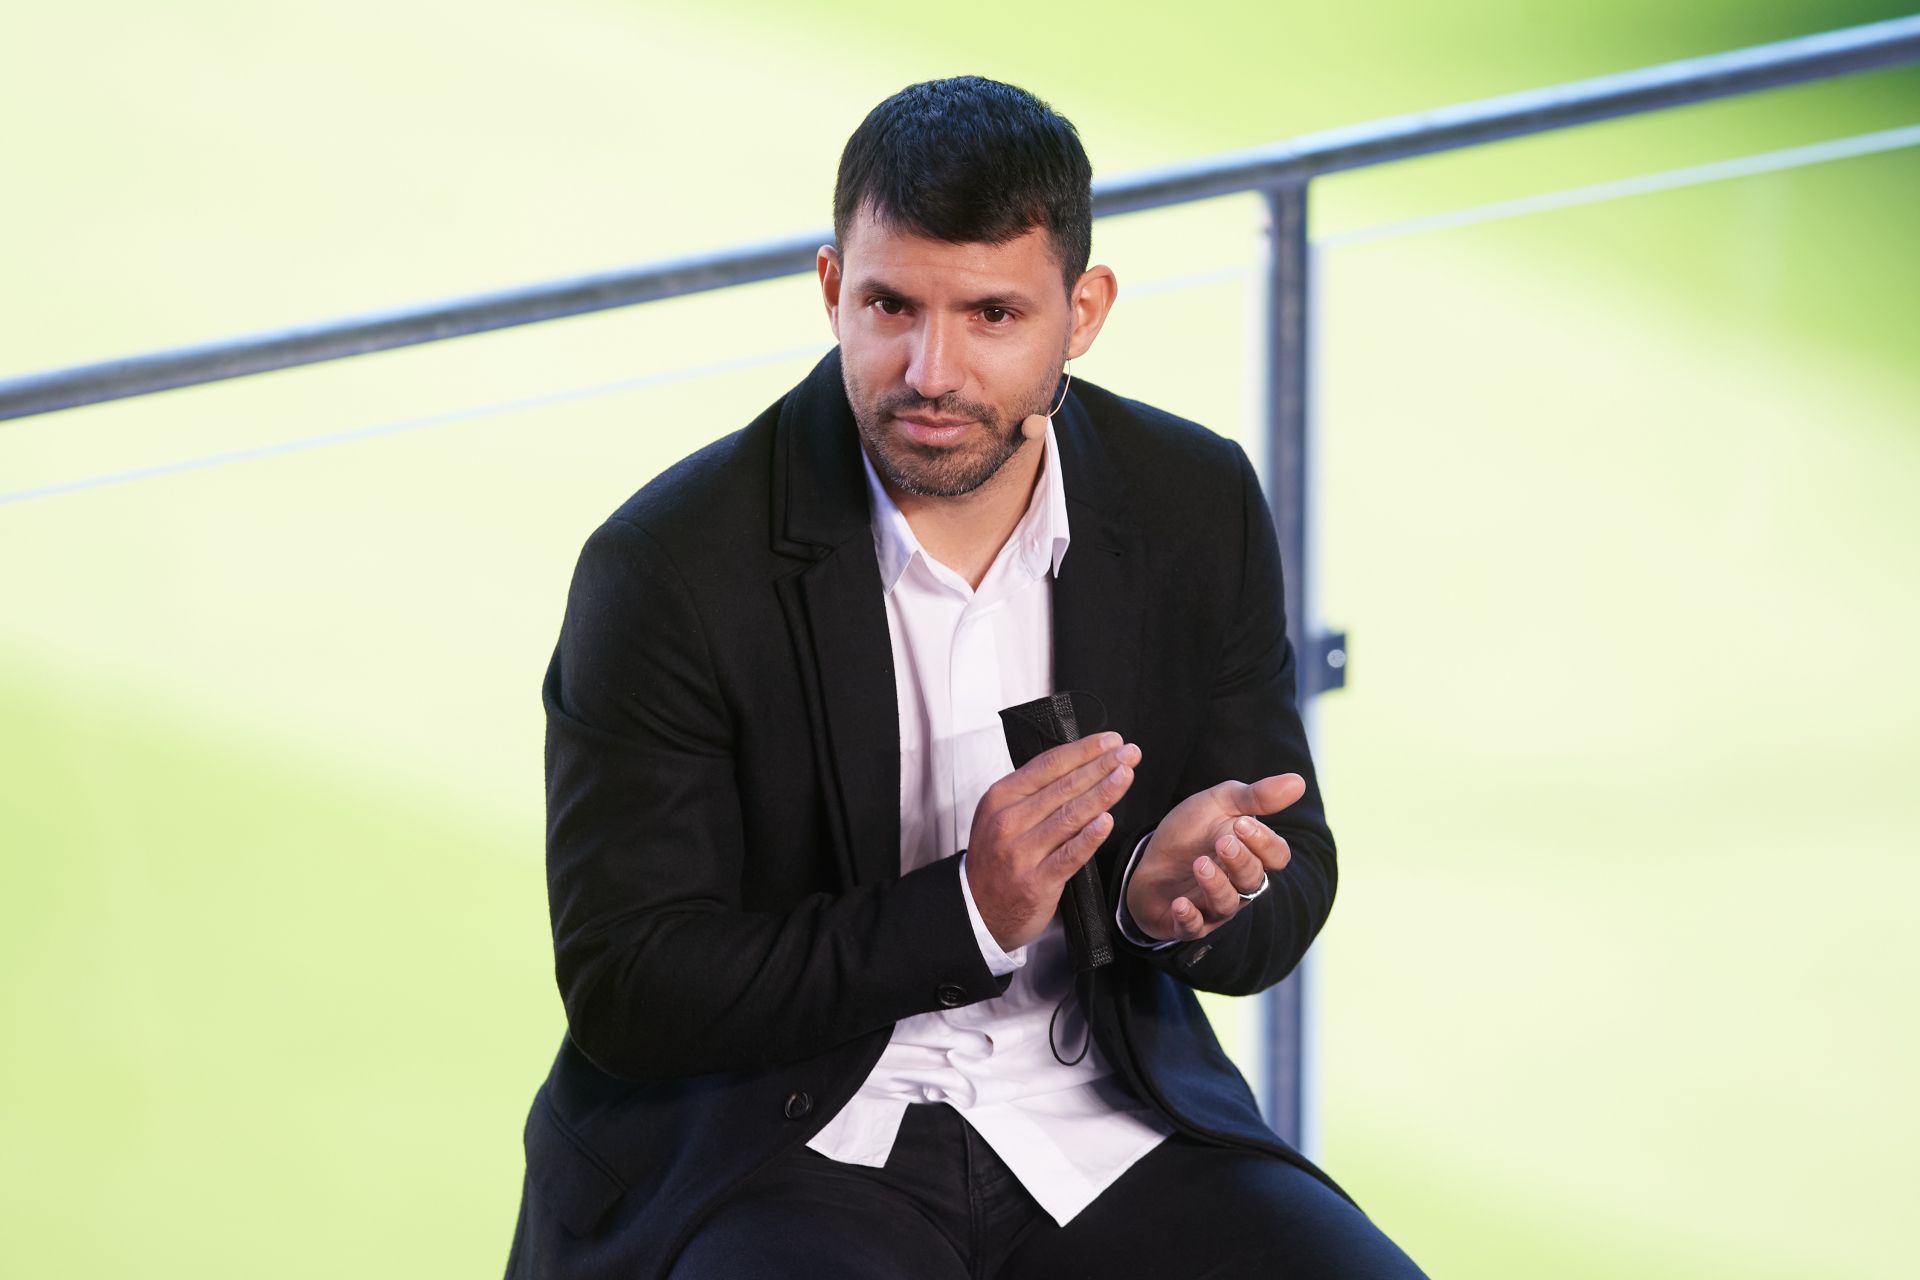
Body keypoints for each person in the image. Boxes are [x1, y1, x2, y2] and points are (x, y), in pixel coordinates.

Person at [504, 76, 1424, 1279]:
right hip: (778, 1144)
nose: (929, 370)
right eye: (891, 305)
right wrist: (970, 908)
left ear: (1081, 312)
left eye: (992, 315)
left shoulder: (1191, 500)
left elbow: (1290, 863)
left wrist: (1175, 899)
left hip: (1109, 1121)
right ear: (835, 287)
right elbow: (632, 984)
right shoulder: (668, 564)